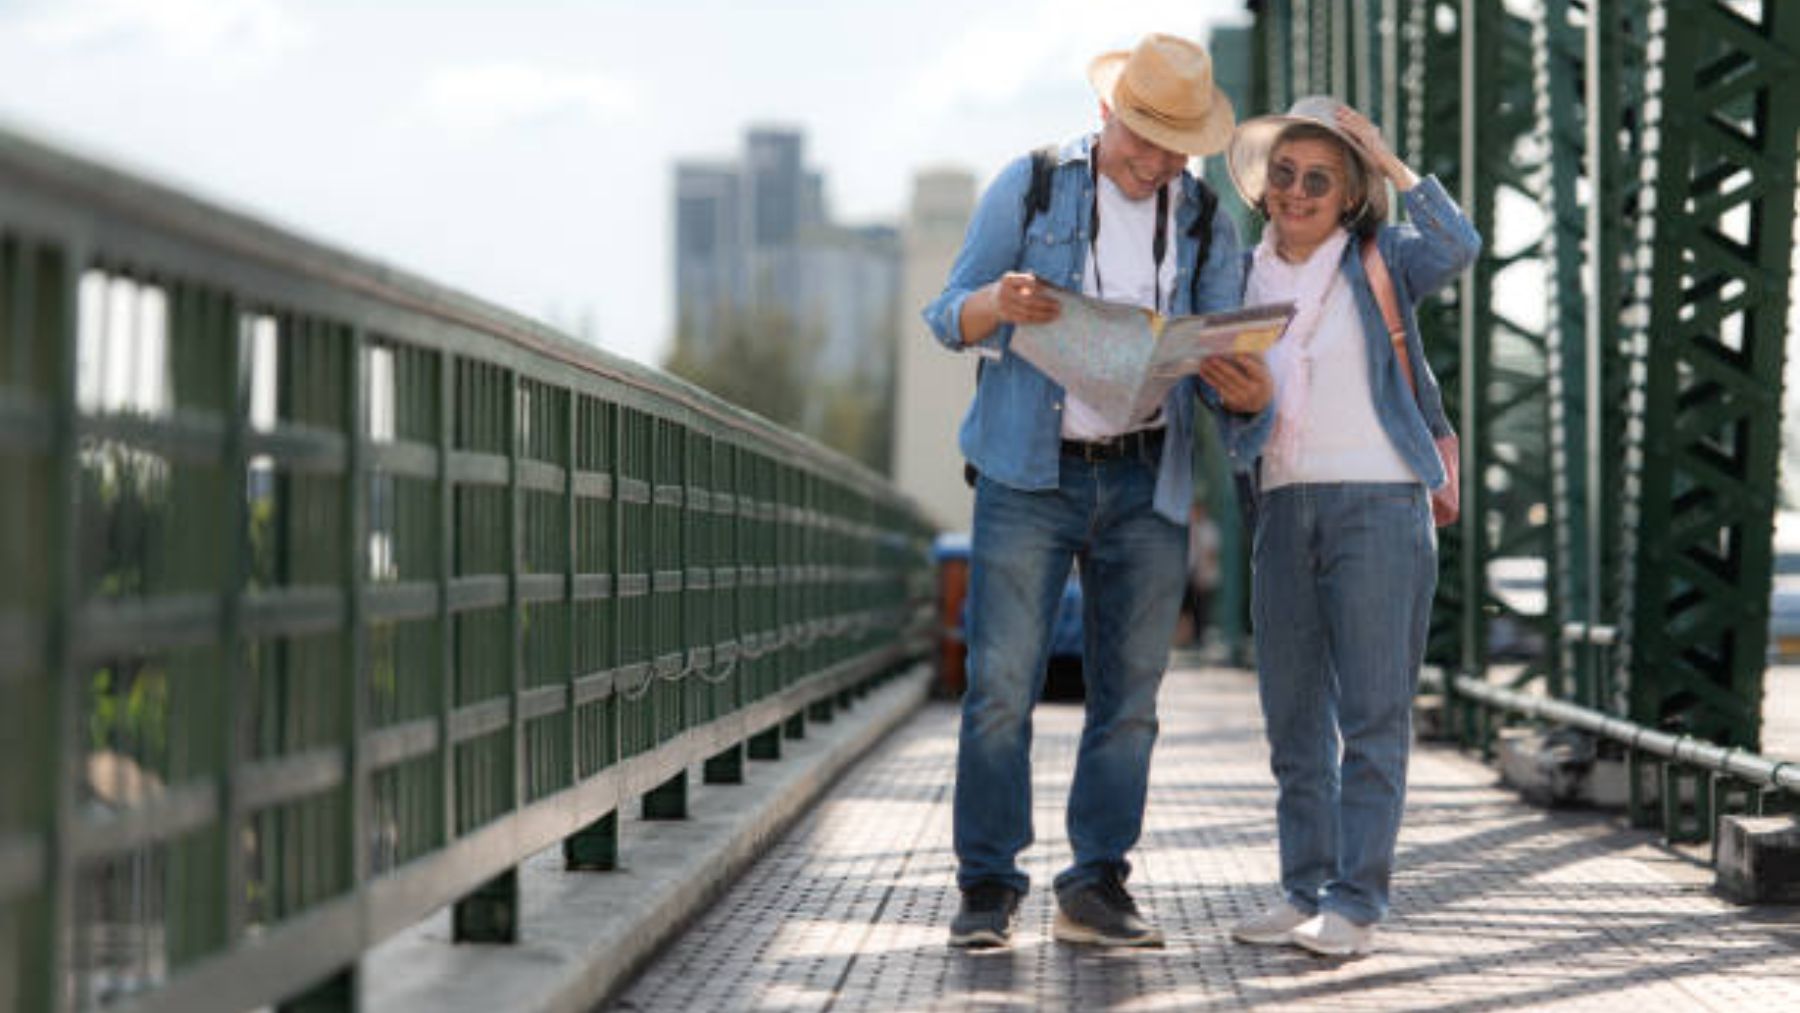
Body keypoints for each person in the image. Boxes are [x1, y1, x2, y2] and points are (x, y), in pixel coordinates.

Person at [922, 33, 1275, 949]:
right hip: (1028, 475)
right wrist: (998, 302)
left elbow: (1221, 356)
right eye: (1144, 138)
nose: (1156, 162)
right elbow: (947, 315)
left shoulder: (1204, 222)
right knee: (1001, 685)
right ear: (1107, 113)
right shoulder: (1032, 185)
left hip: (1144, 476)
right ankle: (987, 888)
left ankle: (1096, 885)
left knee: (1130, 700)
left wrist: (1239, 388)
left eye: (1176, 146)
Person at [1221, 95, 1480, 957]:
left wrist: (1390, 158)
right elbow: (1215, 406)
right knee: (1293, 718)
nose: (1297, 191)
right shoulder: (1237, 279)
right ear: (1264, 185)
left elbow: (1460, 246)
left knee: (1372, 716)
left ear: (1348, 194)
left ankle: (1357, 903)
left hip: (1380, 503)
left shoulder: (1382, 259)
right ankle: (1304, 890)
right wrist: (1242, 406)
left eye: (1319, 179)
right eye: (1285, 174)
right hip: (1283, 505)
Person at [1182, 501, 1221, 648]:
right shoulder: (1188, 527)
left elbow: (1211, 554)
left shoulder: (1209, 529)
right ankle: (1185, 638)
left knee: (1201, 608)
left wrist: (1203, 574)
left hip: (1203, 575)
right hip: (1188, 574)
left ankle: (1198, 639)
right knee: (1186, 607)